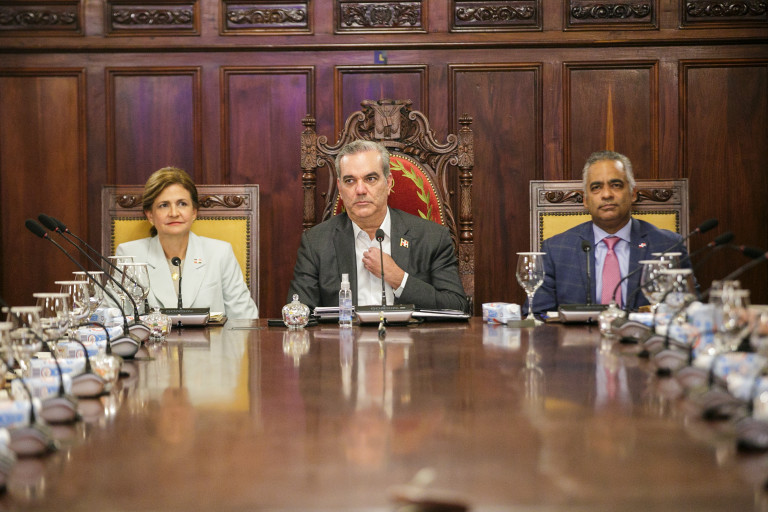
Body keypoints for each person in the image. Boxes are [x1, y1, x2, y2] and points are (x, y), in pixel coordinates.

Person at [287, 140, 467, 311]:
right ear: (340, 189)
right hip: (344, 334)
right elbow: (299, 313)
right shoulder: (316, 243)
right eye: (350, 181)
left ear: (388, 183)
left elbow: (456, 306)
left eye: (370, 179)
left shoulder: (432, 237)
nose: (360, 190)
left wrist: (399, 279)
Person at [528, 150, 689, 315]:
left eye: (616, 185)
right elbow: (537, 314)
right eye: (596, 187)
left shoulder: (668, 245)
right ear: (585, 200)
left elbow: (688, 310)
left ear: (633, 194)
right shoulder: (556, 250)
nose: (606, 195)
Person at [115, 167, 258, 319]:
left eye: (182, 204)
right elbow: (111, 316)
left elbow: (246, 319)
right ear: (150, 215)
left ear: (194, 212)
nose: (174, 213)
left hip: (214, 336)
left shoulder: (220, 253)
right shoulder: (129, 256)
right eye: (164, 205)